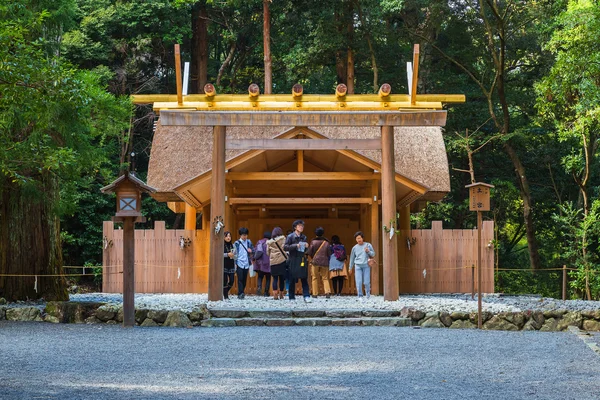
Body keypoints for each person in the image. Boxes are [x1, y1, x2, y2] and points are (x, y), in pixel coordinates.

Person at [284, 220, 311, 302]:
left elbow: (306, 250)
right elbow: (285, 247)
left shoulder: (304, 237)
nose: (301, 227)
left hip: (301, 258)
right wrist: (296, 245)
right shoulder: (290, 236)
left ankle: (306, 295)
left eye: (302, 226)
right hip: (293, 258)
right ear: (295, 227)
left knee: (304, 277)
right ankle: (291, 297)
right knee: (292, 278)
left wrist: (306, 246)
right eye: (299, 226)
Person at [349, 231, 375, 301]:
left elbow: (373, 254)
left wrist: (368, 251)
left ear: (362, 238)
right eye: (357, 238)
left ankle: (368, 294)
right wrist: (350, 267)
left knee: (366, 282)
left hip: (366, 265)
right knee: (359, 282)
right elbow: (352, 258)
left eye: (360, 238)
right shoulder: (354, 248)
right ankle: (360, 295)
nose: (359, 240)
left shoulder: (368, 245)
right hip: (357, 266)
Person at [307, 227, 332, 299]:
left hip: (315, 262)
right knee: (325, 278)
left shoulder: (313, 242)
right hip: (325, 262)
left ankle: (315, 293)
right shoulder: (326, 243)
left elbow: (310, 252)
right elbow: (329, 253)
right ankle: (327, 292)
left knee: (314, 277)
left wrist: (312, 258)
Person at [267, 227, 287, 300]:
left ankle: (275, 295)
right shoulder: (283, 240)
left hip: (273, 262)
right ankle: (281, 294)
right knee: (282, 279)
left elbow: (267, 252)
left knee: (275, 278)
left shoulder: (270, 242)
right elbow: (285, 249)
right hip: (282, 261)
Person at [233, 227, 254, 299]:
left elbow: (253, 251)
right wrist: (235, 263)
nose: (244, 236)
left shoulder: (249, 242)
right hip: (239, 262)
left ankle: (242, 292)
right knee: (240, 278)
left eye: (245, 235)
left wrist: (251, 251)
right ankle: (240, 293)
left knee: (244, 279)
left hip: (246, 263)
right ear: (240, 235)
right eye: (243, 235)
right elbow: (234, 254)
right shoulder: (236, 243)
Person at [254, 231, 272, 297]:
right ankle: (266, 292)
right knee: (268, 278)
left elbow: (257, 251)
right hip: (269, 263)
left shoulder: (260, 242)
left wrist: (254, 258)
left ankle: (259, 287)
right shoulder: (271, 243)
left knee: (260, 277)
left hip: (260, 263)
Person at [223, 231, 236, 300]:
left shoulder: (233, 245)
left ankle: (224, 291)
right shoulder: (222, 245)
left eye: (229, 236)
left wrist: (234, 255)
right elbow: (219, 254)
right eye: (227, 236)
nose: (228, 237)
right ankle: (226, 296)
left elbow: (236, 255)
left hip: (231, 265)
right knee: (225, 281)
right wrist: (227, 254)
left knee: (231, 281)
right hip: (224, 264)